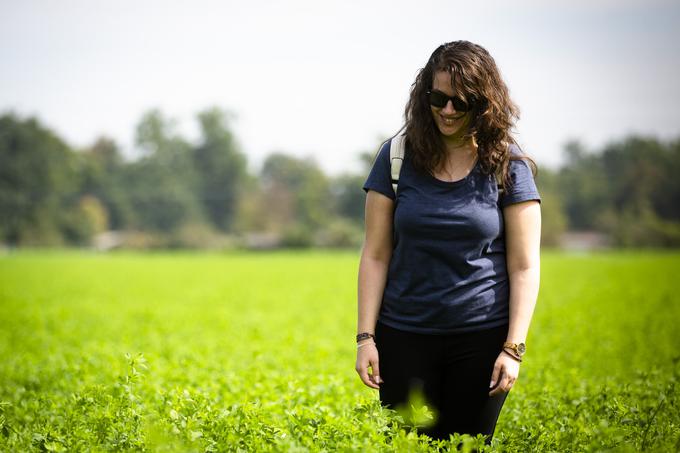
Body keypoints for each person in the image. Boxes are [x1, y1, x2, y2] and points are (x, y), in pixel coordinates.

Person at [355, 40, 542, 443]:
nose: (448, 110)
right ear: (425, 96)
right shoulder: (396, 156)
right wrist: (365, 338)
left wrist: (513, 349)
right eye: (438, 98)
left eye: (462, 101)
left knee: (467, 446)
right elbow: (375, 254)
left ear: (484, 101)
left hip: (481, 340)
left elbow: (524, 266)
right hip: (403, 337)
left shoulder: (507, 165)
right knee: (407, 447)